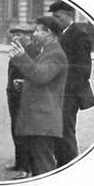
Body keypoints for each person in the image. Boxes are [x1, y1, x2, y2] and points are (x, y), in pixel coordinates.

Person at [8, 15, 69, 176]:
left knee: (43, 166)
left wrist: (22, 57)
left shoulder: (55, 54)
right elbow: (42, 78)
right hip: (39, 120)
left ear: (48, 33)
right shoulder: (48, 52)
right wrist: (25, 83)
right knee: (38, 163)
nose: (34, 34)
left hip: (43, 121)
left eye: (37, 31)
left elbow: (41, 76)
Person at [47, 0, 94, 168]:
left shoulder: (79, 35)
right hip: (58, 92)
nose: (55, 20)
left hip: (69, 93)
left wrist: (64, 88)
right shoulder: (60, 34)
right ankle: (61, 162)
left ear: (69, 16)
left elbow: (83, 69)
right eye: (53, 17)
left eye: (58, 17)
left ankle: (70, 165)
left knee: (66, 131)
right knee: (57, 129)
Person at [4, 21, 35, 175]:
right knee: (15, 129)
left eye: (19, 34)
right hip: (13, 95)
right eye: (14, 34)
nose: (15, 37)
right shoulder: (17, 50)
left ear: (28, 36)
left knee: (24, 131)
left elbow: (36, 73)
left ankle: (26, 167)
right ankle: (19, 162)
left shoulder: (33, 51)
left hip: (26, 96)